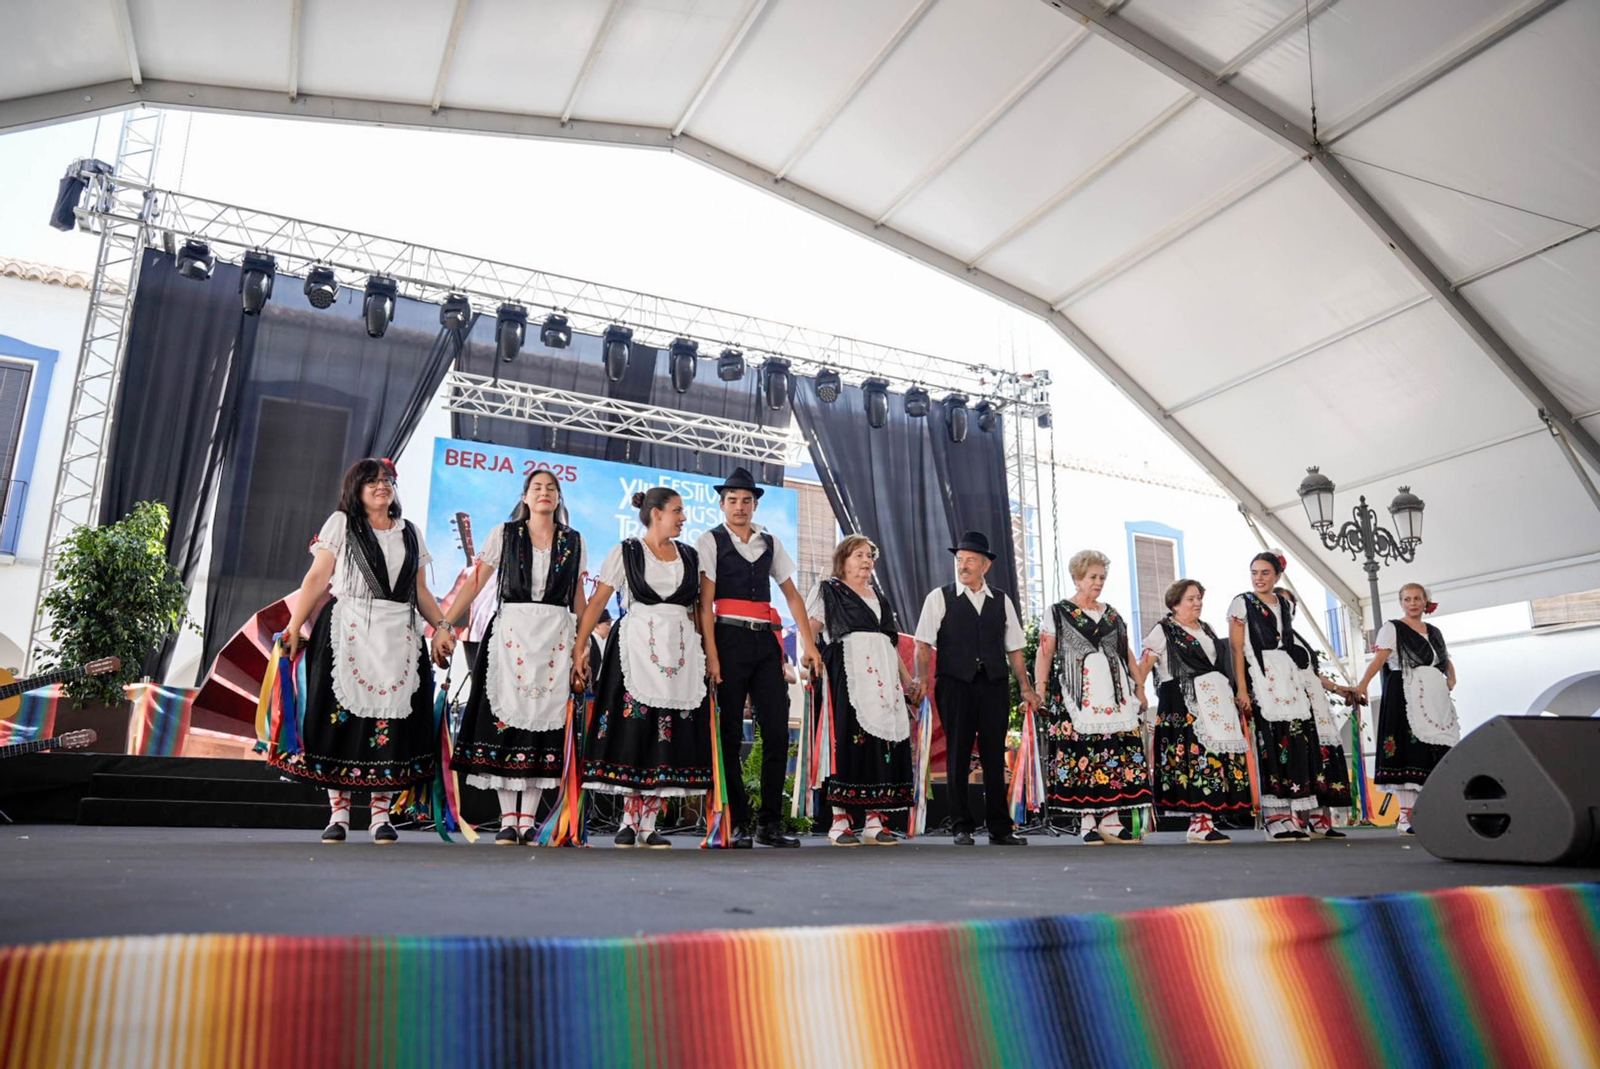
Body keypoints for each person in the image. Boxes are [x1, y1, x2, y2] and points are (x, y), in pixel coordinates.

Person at [271, 458, 454, 844]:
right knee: (341, 720)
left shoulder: (410, 533)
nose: (381, 486)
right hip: (348, 631)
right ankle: (338, 815)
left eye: (387, 480)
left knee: (390, 725)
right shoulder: (341, 524)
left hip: (399, 637)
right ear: (356, 489)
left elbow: (420, 591)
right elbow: (317, 577)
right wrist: (293, 625)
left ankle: (379, 817)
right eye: (372, 481)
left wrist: (442, 627)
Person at [443, 469, 588, 845]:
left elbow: (578, 596)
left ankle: (528, 820)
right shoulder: (505, 534)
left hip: (555, 636)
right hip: (511, 635)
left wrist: (582, 644)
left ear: (558, 498)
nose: (544, 492)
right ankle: (509, 818)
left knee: (544, 725)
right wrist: (445, 622)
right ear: (525, 497)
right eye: (536, 487)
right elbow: (476, 582)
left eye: (551, 488)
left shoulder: (573, 541)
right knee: (505, 722)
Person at [574, 487, 711, 849]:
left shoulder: (689, 556)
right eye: (677, 511)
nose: (683, 518)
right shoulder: (627, 552)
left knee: (665, 735)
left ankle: (648, 824)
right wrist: (579, 646)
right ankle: (628, 821)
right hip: (635, 647)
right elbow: (597, 602)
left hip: (677, 652)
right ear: (656, 513)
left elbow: (699, 611)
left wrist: (707, 654)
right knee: (635, 729)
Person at [695, 467, 823, 848]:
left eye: (746, 500)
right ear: (722, 504)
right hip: (727, 639)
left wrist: (809, 644)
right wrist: (711, 655)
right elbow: (705, 604)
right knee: (730, 734)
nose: (740, 506)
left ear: (755, 505)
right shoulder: (710, 540)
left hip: (766, 643)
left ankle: (769, 823)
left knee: (778, 732)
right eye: (732, 500)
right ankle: (736, 821)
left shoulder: (770, 541)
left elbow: (792, 595)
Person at [913, 531, 1038, 847]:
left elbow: (1015, 649)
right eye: (960, 560)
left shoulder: (1001, 600)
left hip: (994, 684)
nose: (963, 566)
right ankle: (961, 826)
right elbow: (922, 645)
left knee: (995, 755)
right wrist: (922, 680)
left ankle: (1000, 828)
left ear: (986, 565)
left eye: (970, 560)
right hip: (955, 684)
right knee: (958, 752)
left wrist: (1026, 687)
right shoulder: (939, 597)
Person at [805, 535, 923, 845]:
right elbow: (811, 628)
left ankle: (874, 820)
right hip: (848, 673)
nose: (866, 560)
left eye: (870, 555)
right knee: (847, 740)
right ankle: (839, 821)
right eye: (859, 555)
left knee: (881, 743)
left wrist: (908, 681)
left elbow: (890, 643)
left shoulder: (878, 598)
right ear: (843, 560)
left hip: (883, 679)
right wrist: (809, 653)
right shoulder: (828, 590)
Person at [1035, 549, 1152, 844]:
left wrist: (1140, 688)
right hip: (1077, 697)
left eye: (1102, 577)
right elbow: (1045, 652)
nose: (1098, 582)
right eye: (1093, 577)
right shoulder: (1058, 612)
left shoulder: (1112, 614)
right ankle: (1087, 821)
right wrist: (1040, 689)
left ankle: (1111, 820)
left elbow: (1126, 653)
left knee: (1115, 753)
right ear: (1077, 578)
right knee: (1083, 755)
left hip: (1115, 696)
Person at [1228, 552, 1342, 841]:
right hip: (1261, 675)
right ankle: (1274, 816)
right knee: (1270, 742)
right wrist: (1242, 688)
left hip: (1289, 679)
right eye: (1254, 572)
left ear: (1277, 576)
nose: (1259, 578)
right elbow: (1237, 648)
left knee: (1294, 743)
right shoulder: (1242, 602)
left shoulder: (1284, 605)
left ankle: (1292, 813)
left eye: (1265, 572)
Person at [1136, 579, 1251, 843]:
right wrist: (1138, 693)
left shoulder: (1207, 629)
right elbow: (1144, 666)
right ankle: (1199, 823)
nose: (1197, 603)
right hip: (1183, 703)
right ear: (1175, 604)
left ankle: (1207, 819)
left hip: (1214, 702)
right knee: (1196, 759)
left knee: (1214, 758)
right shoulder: (1163, 630)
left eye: (1199, 597)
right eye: (1191, 599)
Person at [1354, 582, 1459, 835]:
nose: (1412, 603)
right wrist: (1363, 685)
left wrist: (1452, 678)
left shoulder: (1433, 631)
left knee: (1432, 751)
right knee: (1409, 750)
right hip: (1404, 691)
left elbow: (1445, 658)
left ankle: (1426, 813)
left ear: (1425, 601)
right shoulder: (1393, 628)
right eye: (1407, 599)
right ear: (1401, 602)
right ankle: (1405, 816)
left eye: (1417, 598)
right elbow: (1379, 660)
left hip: (1434, 696)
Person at [1276, 587, 1357, 827]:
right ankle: (1298, 818)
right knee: (1300, 754)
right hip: (1292, 701)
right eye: (1279, 603)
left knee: (1320, 755)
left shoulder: (1296, 636)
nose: (1284, 609)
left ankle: (1319, 816)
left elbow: (1312, 672)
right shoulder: (1269, 638)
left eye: (1288, 604)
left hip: (1315, 701)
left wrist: (1337, 688)